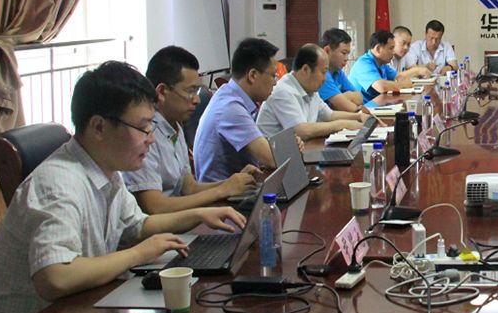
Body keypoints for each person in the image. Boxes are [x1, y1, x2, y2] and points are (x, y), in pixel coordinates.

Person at [0, 61, 246, 313]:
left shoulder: (106, 170)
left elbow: (138, 225)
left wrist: (199, 215)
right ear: (99, 127)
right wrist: (138, 254)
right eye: (143, 127)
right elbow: (56, 277)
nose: (151, 139)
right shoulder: (57, 184)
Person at [122, 46, 258, 214]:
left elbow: (189, 187)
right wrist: (222, 190)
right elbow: (154, 206)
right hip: (164, 224)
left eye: (197, 90)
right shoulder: (144, 135)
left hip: (181, 219)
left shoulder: (174, 125)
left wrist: (233, 183)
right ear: (162, 92)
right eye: (190, 91)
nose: (197, 100)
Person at [194, 38, 278, 182]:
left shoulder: (231, 95)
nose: (275, 82)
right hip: (223, 193)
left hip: (240, 183)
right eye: (273, 75)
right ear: (252, 75)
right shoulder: (230, 108)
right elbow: (272, 159)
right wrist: (289, 148)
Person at [256, 44, 370, 139]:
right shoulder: (283, 91)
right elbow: (302, 131)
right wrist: (342, 124)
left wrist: (358, 116)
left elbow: (329, 115)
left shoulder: (310, 88)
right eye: (323, 72)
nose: (325, 78)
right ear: (306, 70)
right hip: (274, 157)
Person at [352, 30, 407, 103]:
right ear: (378, 49)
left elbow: (401, 78)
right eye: (391, 48)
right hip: (363, 107)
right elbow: (382, 87)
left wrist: (396, 84)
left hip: (378, 105)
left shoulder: (382, 63)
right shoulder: (363, 64)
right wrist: (399, 85)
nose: (393, 52)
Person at [317, 28, 364, 113]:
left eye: (348, 54)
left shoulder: (338, 72)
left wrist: (344, 97)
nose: (347, 58)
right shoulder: (320, 73)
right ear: (327, 51)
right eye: (343, 53)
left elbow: (360, 98)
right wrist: (345, 100)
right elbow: (350, 108)